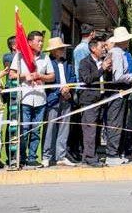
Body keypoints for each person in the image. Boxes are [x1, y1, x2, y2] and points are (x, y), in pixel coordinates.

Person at [9, 31, 55, 167]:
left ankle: (32, 157)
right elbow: (12, 74)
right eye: (38, 41)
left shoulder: (45, 58)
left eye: (42, 41)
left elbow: (51, 77)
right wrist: (26, 76)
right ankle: (21, 157)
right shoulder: (20, 56)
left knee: (36, 129)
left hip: (40, 98)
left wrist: (40, 76)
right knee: (24, 129)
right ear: (29, 42)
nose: (41, 43)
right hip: (25, 98)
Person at [77, 36, 113, 167]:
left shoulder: (102, 61)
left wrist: (107, 70)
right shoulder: (85, 62)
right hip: (89, 101)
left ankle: (93, 155)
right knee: (89, 129)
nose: (104, 49)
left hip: (101, 99)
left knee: (97, 130)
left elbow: (105, 79)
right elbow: (87, 79)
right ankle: (89, 157)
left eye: (104, 47)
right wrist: (102, 69)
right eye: (101, 47)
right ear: (93, 48)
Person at [105, 27, 132, 165]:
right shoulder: (117, 54)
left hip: (122, 91)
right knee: (116, 122)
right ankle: (112, 154)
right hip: (117, 91)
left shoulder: (122, 53)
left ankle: (118, 153)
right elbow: (117, 76)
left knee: (121, 122)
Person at [43, 37, 77, 167]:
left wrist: (69, 89)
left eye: (63, 48)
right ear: (53, 51)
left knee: (64, 127)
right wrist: (59, 91)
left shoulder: (67, 63)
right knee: (50, 128)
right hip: (53, 98)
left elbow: (73, 78)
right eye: (60, 48)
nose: (63, 50)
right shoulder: (48, 63)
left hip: (66, 97)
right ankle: (47, 155)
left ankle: (61, 156)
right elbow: (48, 82)